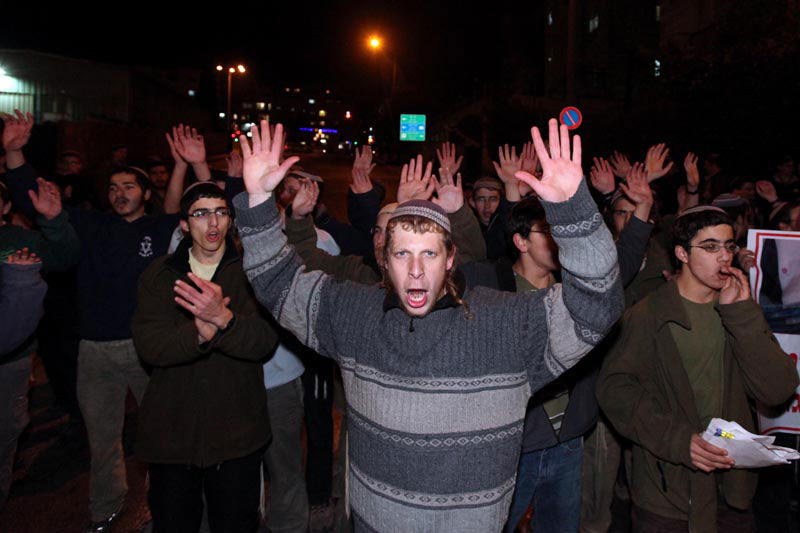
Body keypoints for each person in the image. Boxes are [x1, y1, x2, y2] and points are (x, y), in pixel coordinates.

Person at [233, 118, 622, 532]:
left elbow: (597, 307)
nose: (416, 271)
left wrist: (573, 211)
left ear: (451, 259)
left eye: (430, 255)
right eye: (402, 254)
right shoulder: (353, 315)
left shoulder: (507, 323)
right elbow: (278, 284)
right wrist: (258, 199)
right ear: (384, 258)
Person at [597, 206, 799, 531]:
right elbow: (615, 390)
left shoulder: (738, 309)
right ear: (682, 253)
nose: (724, 257)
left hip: (733, 486)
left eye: (729, 246)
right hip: (669, 492)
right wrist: (678, 440)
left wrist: (743, 316)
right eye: (710, 247)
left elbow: (777, 389)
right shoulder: (648, 315)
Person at [131, 182, 276, 533]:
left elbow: (265, 341)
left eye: (220, 212)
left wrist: (224, 321)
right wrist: (198, 333)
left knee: (236, 524)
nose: (212, 223)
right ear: (183, 224)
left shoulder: (253, 273)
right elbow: (150, 345)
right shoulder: (161, 275)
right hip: (172, 436)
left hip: (237, 434)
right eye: (200, 213)